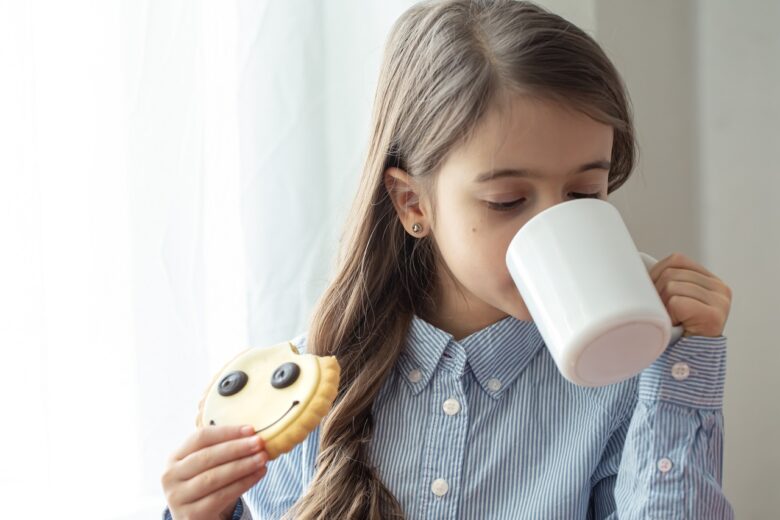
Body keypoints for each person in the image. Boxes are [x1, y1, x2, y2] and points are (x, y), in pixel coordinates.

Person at [161, 0, 735, 518]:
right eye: (507, 201)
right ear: (414, 203)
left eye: (583, 195)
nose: (552, 225)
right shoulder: (317, 382)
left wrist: (684, 371)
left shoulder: (631, 380)